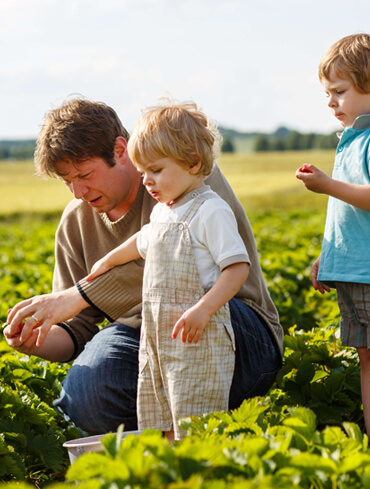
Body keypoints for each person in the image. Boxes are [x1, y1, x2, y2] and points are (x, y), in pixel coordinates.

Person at [5, 97, 283, 435]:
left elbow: (172, 255)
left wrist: (78, 295)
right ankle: (166, 441)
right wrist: (37, 340)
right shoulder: (75, 223)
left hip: (229, 321)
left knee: (178, 320)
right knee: (86, 392)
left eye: (84, 175)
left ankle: (208, 433)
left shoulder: (188, 179)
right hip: (145, 341)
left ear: (120, 150)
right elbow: (76, 331)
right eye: (67, 181)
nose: (78, 192)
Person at [85, 101, 250, 440]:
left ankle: (202, 469)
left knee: (197, 410)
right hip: (159, 335)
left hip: (197, 335)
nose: (147, 181)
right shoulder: (164, 212)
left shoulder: (209, 210)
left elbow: (236, 268)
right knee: (161, 409)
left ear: (194, 162)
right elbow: (143, 241)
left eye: (156, 170)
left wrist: (204, 310)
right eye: (142, 172)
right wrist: (108, 260)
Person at [296, 33, 370, 433]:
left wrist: (327, 185)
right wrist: (330, 254)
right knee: (365, 357)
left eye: (339, 91)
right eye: (328, 93)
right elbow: (350, 216)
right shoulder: (352, 139)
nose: (331, 102)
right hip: (355, 271)